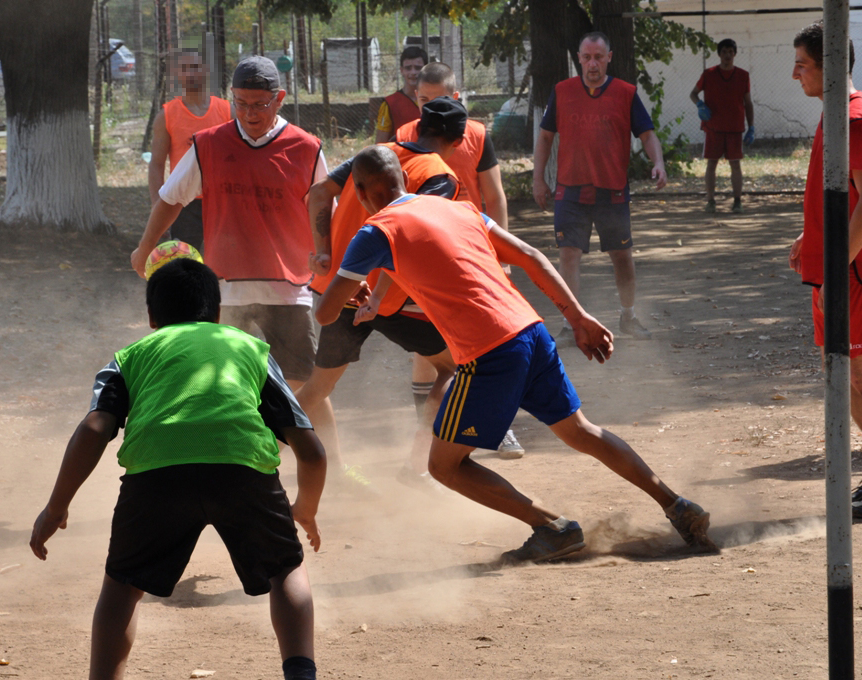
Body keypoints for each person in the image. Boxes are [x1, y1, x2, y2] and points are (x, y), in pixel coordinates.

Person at [317, 145, 715, 562]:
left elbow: (326, 313)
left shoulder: (375, 231)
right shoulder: (458, 209)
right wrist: (576, 316)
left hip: (487, 351)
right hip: (530, 331)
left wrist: (350, 295)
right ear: (402, 176)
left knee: (444, 466)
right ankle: (678, 506)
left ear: (360, 192)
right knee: (582, 431)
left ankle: (552, 527)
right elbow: (530, 256)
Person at [29, 258, 326, 680]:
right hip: (242, 470)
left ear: (152, 317)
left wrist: (55, 507)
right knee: (285, 570)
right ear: (218, 313)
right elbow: (311, 452)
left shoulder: (129, 357)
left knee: (122, 584)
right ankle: (301, 674)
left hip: (156, 476)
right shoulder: (251, 351)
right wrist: (306, 508)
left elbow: (94, 429)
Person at [131, 56, 326, 394]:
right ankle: (250, 441)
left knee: (302, 382)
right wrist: (144, 248)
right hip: (226, 288)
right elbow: (171, 198)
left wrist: (333, 260)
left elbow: (325, 212)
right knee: (225, 381)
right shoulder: (208, 145)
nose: (250, 113)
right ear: (232, 96)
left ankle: (324, 450)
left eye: (259, 105)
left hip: (288, 288)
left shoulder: (305, 148)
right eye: (241, 103)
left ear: (279, 99)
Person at [299, 97, 463, 492]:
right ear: (457, 141)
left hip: (339, 289)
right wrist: (378, 294)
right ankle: (417, 469)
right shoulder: (440, 175)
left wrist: (323, 251)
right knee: (452, 369)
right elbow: (406, 235)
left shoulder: (376, 154)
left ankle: (253, 449)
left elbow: (319, 194)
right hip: (390, 299)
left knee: (317, 390)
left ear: (417, 127)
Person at [394, 61, 525, 459]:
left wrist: (502, 254)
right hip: (426, 250)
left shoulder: (478, 134)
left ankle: (498, 426)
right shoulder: (404, 136)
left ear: (455, 98)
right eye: (421, 101)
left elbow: (496, 195)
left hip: (471, 247)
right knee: (428, 344)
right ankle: (429, 430)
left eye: (435, 101)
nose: (426, 110)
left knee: (492, 336)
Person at [788, 21, 862, 520]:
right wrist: (816, 238)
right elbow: (842, 194)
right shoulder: (834, 115)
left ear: (828, 69)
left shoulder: (857, 120)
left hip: (860, 275)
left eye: (802, 64)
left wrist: (834, 268)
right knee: (841, 376)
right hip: (838, 267)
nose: (793, 74)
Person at [533, 31, 666, 348]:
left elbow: (647, 135)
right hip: (570, 191)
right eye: (587, 57)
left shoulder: (625, 93)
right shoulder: (562, 92)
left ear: (609, 57)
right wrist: (538, 178)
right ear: (578, 58)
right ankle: (571, 324)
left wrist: (658, 161)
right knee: (569, 256)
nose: (592, 63)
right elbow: (546, 137)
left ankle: (628, 316)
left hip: (612, 191)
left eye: (598, 57)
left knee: (622, 257)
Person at [148, 48, 232, 250]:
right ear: (177, 75)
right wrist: (157, 208)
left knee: (223, 265)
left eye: (195, 67)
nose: (191, 73)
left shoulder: (228, 111)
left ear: (205, 71)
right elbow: (156, 165)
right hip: (183, 204)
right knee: (185, 265)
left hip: (222, 202)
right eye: (184, 69)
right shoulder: (166, 116)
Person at [689, 38, 755, 214]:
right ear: (719, 54)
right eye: (724, 52)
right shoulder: (709, 74)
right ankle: (710, 201)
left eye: (730, 52)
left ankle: (738, 201)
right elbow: (693, 94)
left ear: (734, 54)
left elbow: (748, 103)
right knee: (711, 164)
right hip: (713, 127)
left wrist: (752, 126)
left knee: (735, 165)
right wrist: (700, 105)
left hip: (734, 128)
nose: (727, 55)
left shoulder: (743, 76)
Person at [374, 45, 428, 144]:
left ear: (426, 69)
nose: (413, 72)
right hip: (401, 158)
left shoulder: (436, 100)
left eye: (417, 68)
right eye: (408, 68)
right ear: (401, 70)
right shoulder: (390, 104)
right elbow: (380, 145)